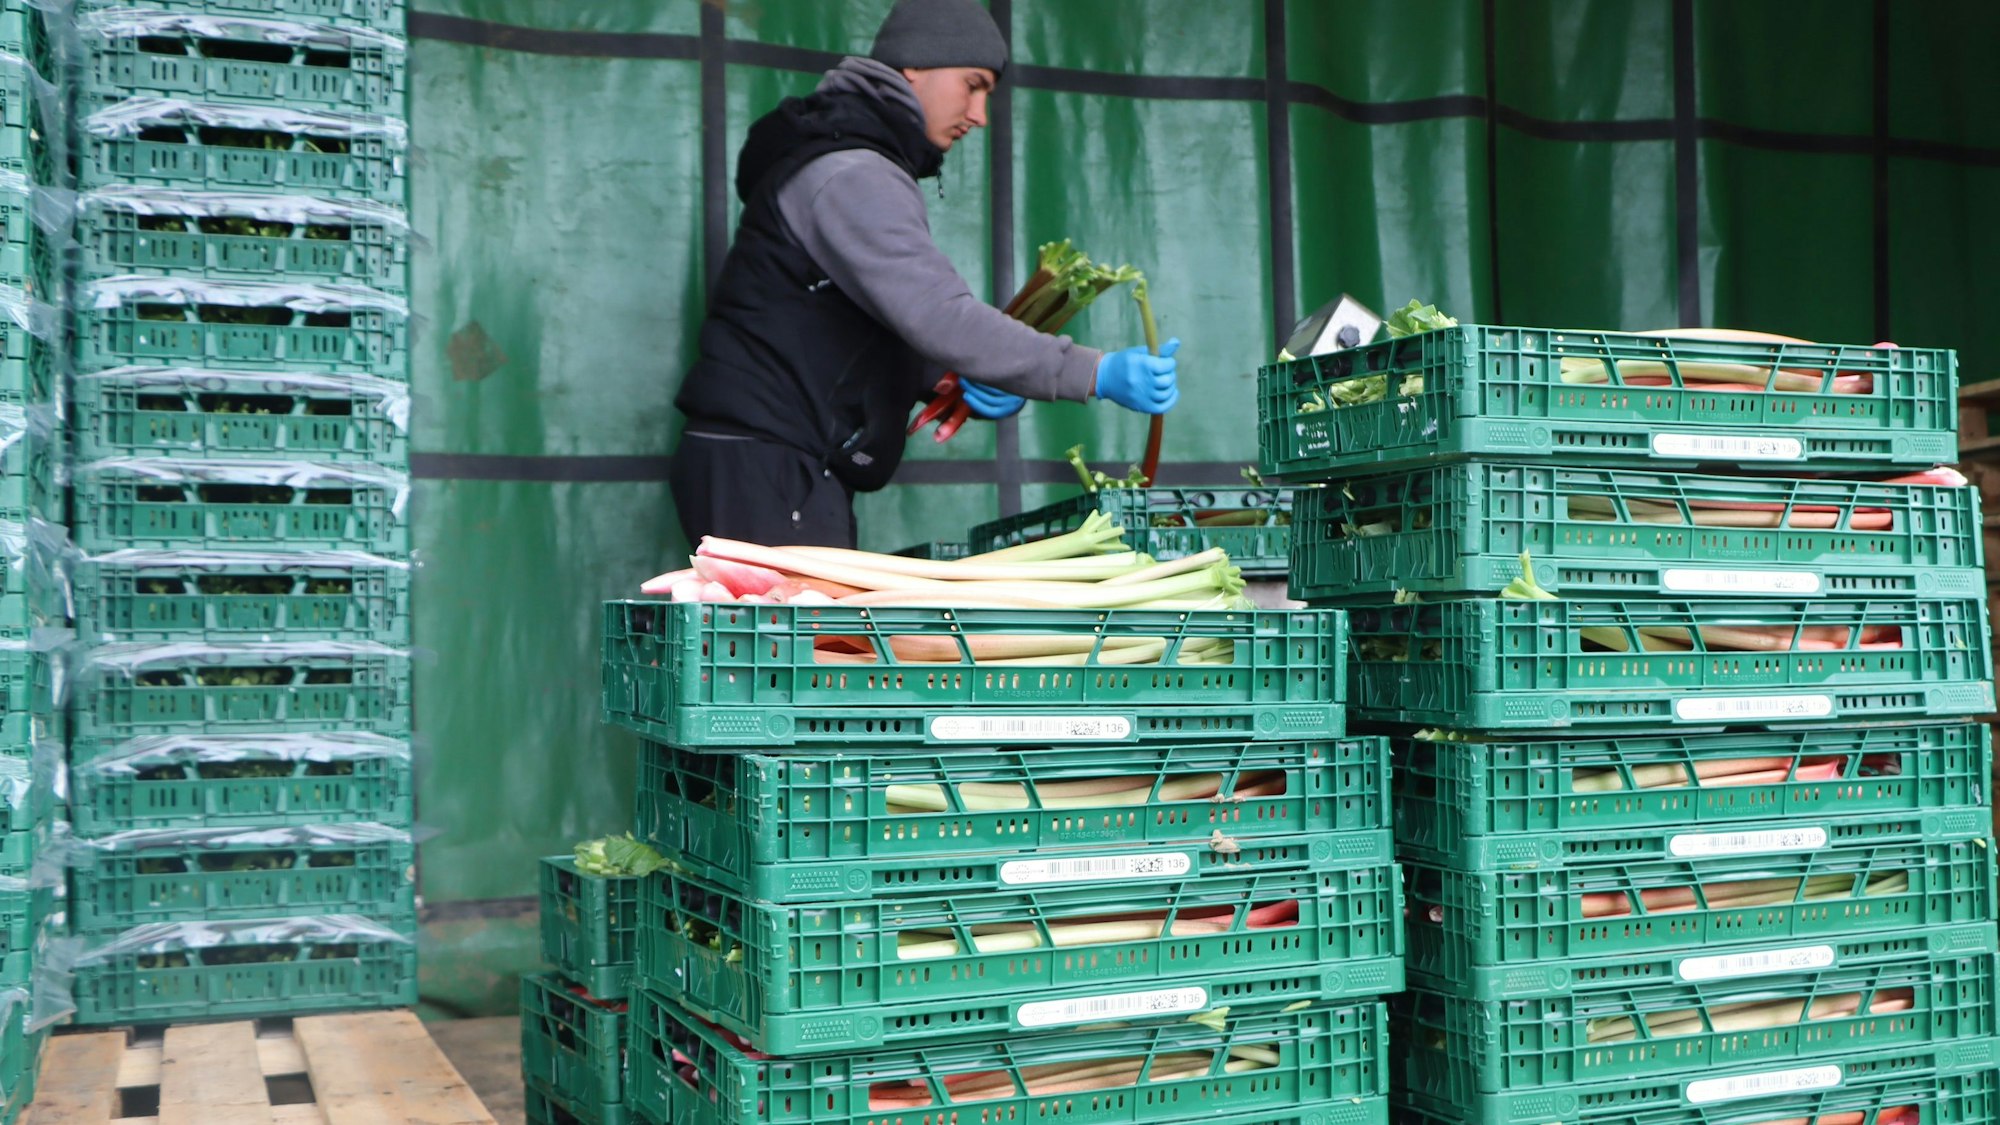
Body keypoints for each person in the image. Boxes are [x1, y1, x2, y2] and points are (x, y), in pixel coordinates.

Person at [670, 0, 1181, 549]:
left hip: (774, 464)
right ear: (914, 65)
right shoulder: (851, 173)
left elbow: (847, 317)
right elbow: (938, 314)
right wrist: (1089, 371)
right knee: (791, 638)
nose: (981, 114)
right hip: (769, 465)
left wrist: (944, 376)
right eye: (974, 84)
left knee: (800, 637)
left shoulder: (849, 159)